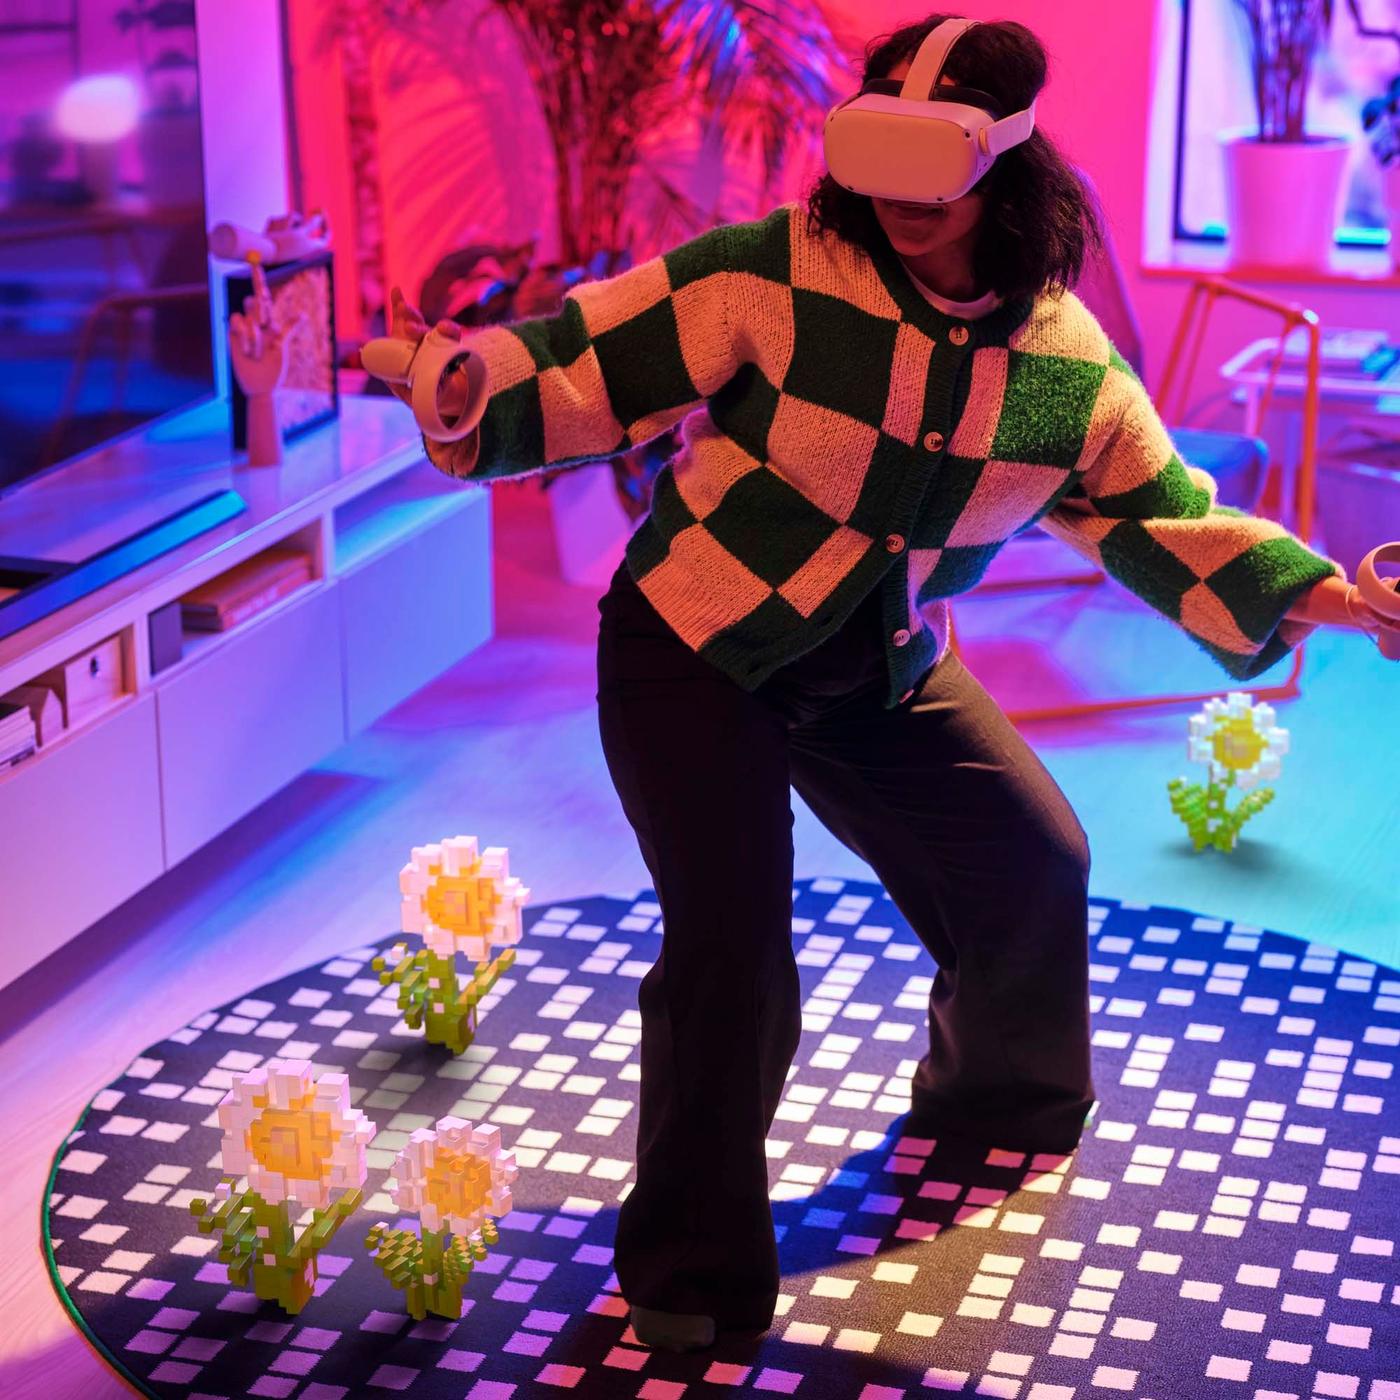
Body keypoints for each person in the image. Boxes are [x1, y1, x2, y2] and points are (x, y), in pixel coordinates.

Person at [378, 13, 1400, 1355]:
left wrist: (1345, 597)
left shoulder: (1065, 366)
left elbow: (1163, 520)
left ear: (1010, 167)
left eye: (938, 169)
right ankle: (689, 1273)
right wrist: (460, 384)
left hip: (885, 665)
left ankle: (1001, 1105)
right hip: (698, 648)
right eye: (880, 161)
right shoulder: (778, 277)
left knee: (1036, 862)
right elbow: (590, 359)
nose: (904, 203)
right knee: (734, 955)